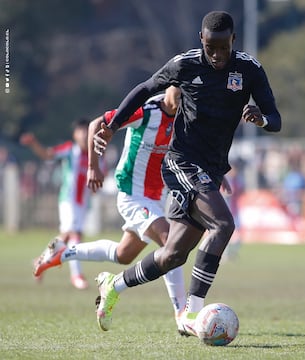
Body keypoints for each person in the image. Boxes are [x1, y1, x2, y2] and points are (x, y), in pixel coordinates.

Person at [79, 11, 281, 335]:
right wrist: (114, 125)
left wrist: (261, 118)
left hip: (211, 170)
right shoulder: (184, 65)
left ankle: (114, 285)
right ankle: (192, 313)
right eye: (210, 47)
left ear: (234, 41)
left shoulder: (249, 70)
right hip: (181, 162)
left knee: (172, 255)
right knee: (224, 224)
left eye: (223, 48)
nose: (216, 55)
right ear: (201, 40)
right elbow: (144, 89)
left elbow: (275, 118)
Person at [33, 86, 187, 328]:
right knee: (171, 244)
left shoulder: (185, 114)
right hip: (132, 194)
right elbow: (97, 124)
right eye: (181, 89)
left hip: (156, 198)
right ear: (170, 83)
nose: (184, 97)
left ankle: (62, 252)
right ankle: (182, 315)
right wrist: (94, 167)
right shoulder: (146, 111)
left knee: (123, 254)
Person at [20, 119, 91, 289]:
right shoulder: (70, 150)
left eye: (87, 130)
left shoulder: (95, 154)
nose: (84, 134)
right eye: (80, 131)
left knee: (70, 236)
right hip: (68, 199)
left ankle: (41, 260)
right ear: (75, 135)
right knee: (71, 234)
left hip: (83, 202)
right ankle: (76, 276)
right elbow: (47, 154)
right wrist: (34, 143)